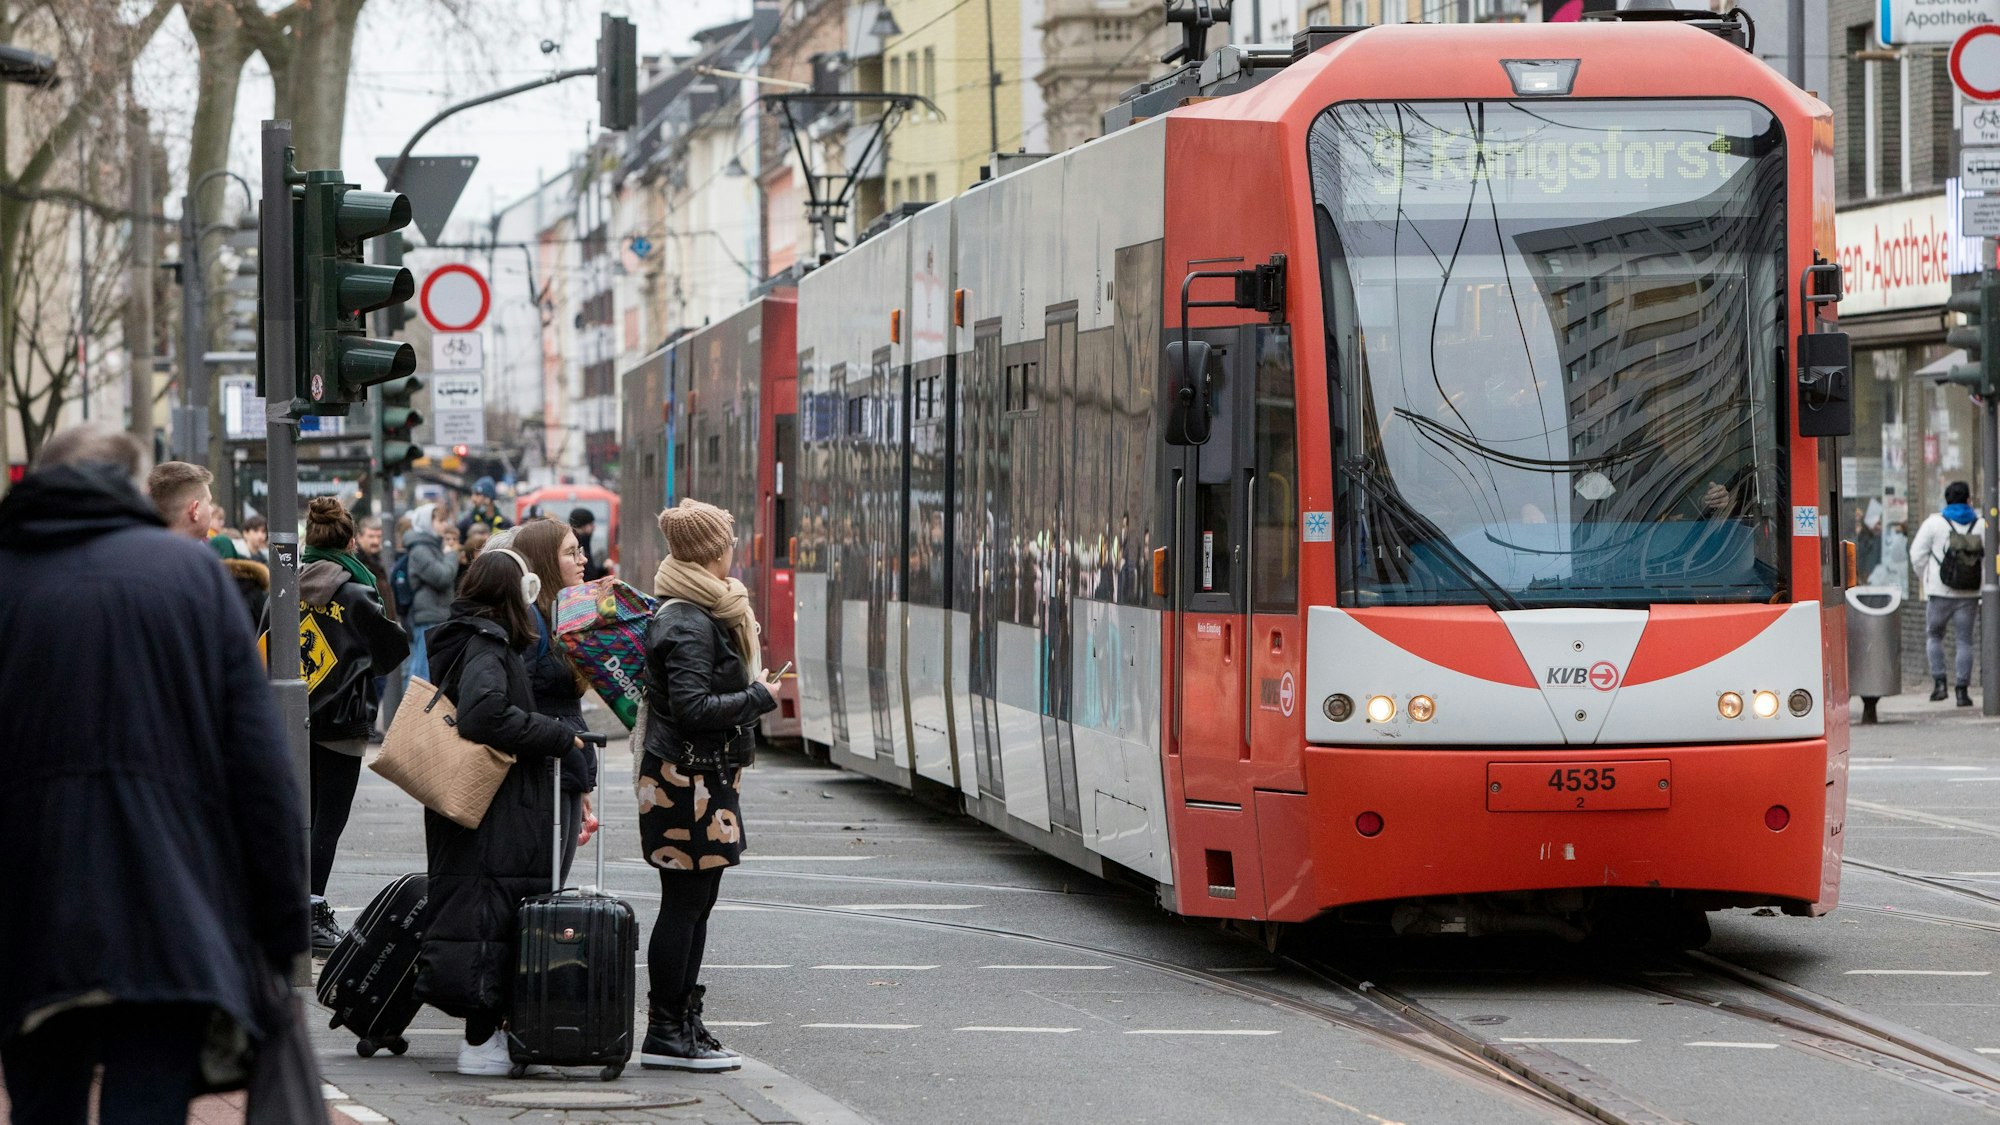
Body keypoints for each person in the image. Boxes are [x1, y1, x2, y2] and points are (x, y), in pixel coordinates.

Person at [0, 423, 307, 1123]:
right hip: (169, 904)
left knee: (42, 1102)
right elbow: (260, 770)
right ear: (133, 485)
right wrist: (281, 926)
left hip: (30, 906)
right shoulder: (193, 579)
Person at [415, 549, 584, 1077]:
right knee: (489, 913)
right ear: (510, 593)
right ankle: (481, 1040)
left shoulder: (469, 636)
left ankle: (485, 1036)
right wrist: (558, 736)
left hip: (481, 803)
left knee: (479, 910)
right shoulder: (488, 644)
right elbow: (483, 714)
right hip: (494, 806)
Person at [639, 498, 780, 1072]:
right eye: (728, 540)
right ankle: (667, 1032)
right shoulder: (688, 621)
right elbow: (694, 707)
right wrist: (758, 697)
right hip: (685, 778)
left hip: (699, 774)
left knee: (695, 903)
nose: (733, 549)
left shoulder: (696, 611)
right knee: (685, 904)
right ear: (713, 550)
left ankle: (680, 1024)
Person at [298, 498, 410, 952]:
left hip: (294, 716)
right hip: (342, 719)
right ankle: (311, 907)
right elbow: (392, 650)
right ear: (349, 542)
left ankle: (295, 904)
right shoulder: (358, 592)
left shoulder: (285, 587)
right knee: (331, 817)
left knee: (302, 813)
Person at [514, 518, 599, 882]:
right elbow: (522, 702)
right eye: (570, 552)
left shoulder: (559, 615)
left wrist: (579, 783)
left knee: (554, 883)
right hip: (543, 771)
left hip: (562, 766)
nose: (582, 560)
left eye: (580, 550)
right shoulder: (531, 623)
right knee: (543, 885)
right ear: (545, 562)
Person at [1910, 481, 1986, 706]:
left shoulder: (1934, 523)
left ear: (1946, 499)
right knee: (1965, 641)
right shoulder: (1981, 524)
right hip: (1970, 593)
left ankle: (1940, 685)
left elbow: (1916, 554)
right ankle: (1962, 692)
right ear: (1969, 500)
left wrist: (1926, 577)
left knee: (1934, 636)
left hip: (1939, 591)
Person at [402, 502, 461, 692]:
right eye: (439, 521)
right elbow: (442, 576)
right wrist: (451, 555)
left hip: (437, 614)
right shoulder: (420, 549)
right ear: (427, 522)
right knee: (422, 671)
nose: (444, 525)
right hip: (428, 615)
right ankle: (413, 713)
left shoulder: (433, 546)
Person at [356, 515, 403, 743]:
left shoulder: (375, 561)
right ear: (359, 537)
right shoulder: (361, 563)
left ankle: (370, 726)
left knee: (379, 682)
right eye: (371, 536)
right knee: (374, 683)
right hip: (369, 635)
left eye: (378, 536)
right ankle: (368, 727)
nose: (375, 540)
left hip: (380, 632)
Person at [146, 460, 215, 541]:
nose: (212, 509)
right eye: (208, 502)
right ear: (194, 510)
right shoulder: (201, 552)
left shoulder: (133, 546)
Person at [570, 508, 610, 581]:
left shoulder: (581, 540)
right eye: (591, 524)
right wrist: (604, 568)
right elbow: (589, 575)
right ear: (583, 526)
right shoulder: (580, 542)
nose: (594, 527)